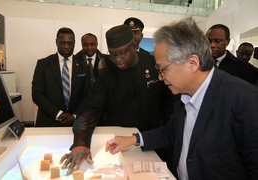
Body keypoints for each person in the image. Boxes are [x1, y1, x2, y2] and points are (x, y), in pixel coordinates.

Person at [105, 18, 258, 179]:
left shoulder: (246, 101)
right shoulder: (182, 96)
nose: (160, 76)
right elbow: (172, 132)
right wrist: (133, 140)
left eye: (162, 68)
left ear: (192, 63)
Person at [59, 24, 175, 175]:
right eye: (113, 54)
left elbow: (169, 103)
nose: (118, 59)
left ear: (133, 46)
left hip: (151, 140)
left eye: (122, 53)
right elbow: (90, 109)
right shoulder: (107, 74)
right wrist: (81, 142)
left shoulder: (153, 65)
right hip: (119, 143)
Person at [32, 27, 91, 127]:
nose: (66, 46)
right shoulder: (43, 64)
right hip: (48, 122)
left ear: (74, 43)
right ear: (56, 42)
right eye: (63, 43)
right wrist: (59, 114)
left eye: (70, 43)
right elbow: (37, 94)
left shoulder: (83, 66)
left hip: (75, 123)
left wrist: (74, 116)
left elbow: (88, 95)